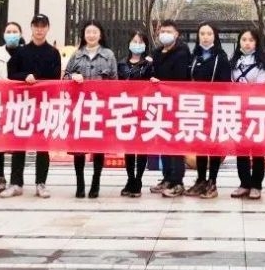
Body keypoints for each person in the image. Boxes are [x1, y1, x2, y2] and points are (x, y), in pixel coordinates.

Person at [6, 14, 62, 198]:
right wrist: (25, 77)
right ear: (31, 27)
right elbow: (11, 74)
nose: (39, 29)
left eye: (43, 26)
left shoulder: (53, 53)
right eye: (36, 26)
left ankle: (41, 183)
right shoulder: (20, 52)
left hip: (43, 105)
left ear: (48, 28)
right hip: (22, 105)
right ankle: (16, 183)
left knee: (42, 145)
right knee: (19, 144)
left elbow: (55, 80)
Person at [64, 20, 118, 198]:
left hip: (100, 108)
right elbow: (64, 77)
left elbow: (114, 82)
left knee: (98, 146)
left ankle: (96, 183)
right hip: (79, 108)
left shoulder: (108, 55)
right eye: (88, 32)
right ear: (84, 35)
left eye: (95, 32)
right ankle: (80, 184)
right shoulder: (77, 55)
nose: (92, 35)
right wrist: (73, 76)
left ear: (100, 34)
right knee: (78, 147)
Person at [186, 22, 232, 198]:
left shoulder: (221, 57)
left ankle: (212, 182)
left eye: (209, 34)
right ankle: (200, 180)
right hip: (197, 107)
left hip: (215, 107)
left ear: (215, 36)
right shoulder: (194, 57)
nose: (205, 37)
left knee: (213, 145)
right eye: (202, 33)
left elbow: (226, 84)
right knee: (199, 144)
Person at [149, 20, 192, 197]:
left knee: (176, 143)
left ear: (176, 34)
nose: (165, 33)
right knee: (164, 140)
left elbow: (181, 77)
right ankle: (167, 177)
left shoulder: (182, 52)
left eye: (169, 31)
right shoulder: (157, 52)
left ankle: (177, 181)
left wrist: (164, 84)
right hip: (160, 102)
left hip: (177, 102)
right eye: (162, 31)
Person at [230, 28, 265, 199]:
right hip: (239, 110)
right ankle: (244, 183)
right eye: (244, 39)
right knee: (241, 149)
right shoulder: (234, 63)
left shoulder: (262, 64)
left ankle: (257, 184)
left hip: (256, 110)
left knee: (257, 149)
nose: (247, 43)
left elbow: (261, 86)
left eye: (251, 40)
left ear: (256, 43)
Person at [117, 30, 153, 197]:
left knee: (142, 146)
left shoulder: (149, 64)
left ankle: (138, 180)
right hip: (126, 109)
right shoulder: (121, 64)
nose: (137, 45)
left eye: (140, 42)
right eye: (134, 41)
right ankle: (130, 179)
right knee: (129, 147)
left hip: (144, 110)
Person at [0, 21, 22, 195]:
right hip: (0, 100)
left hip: (19, 102)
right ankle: (0, 178)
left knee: (18, 141)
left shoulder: (24, 52)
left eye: (15, 31)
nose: (12, 34)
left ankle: (16, 179)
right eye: (8, 31)